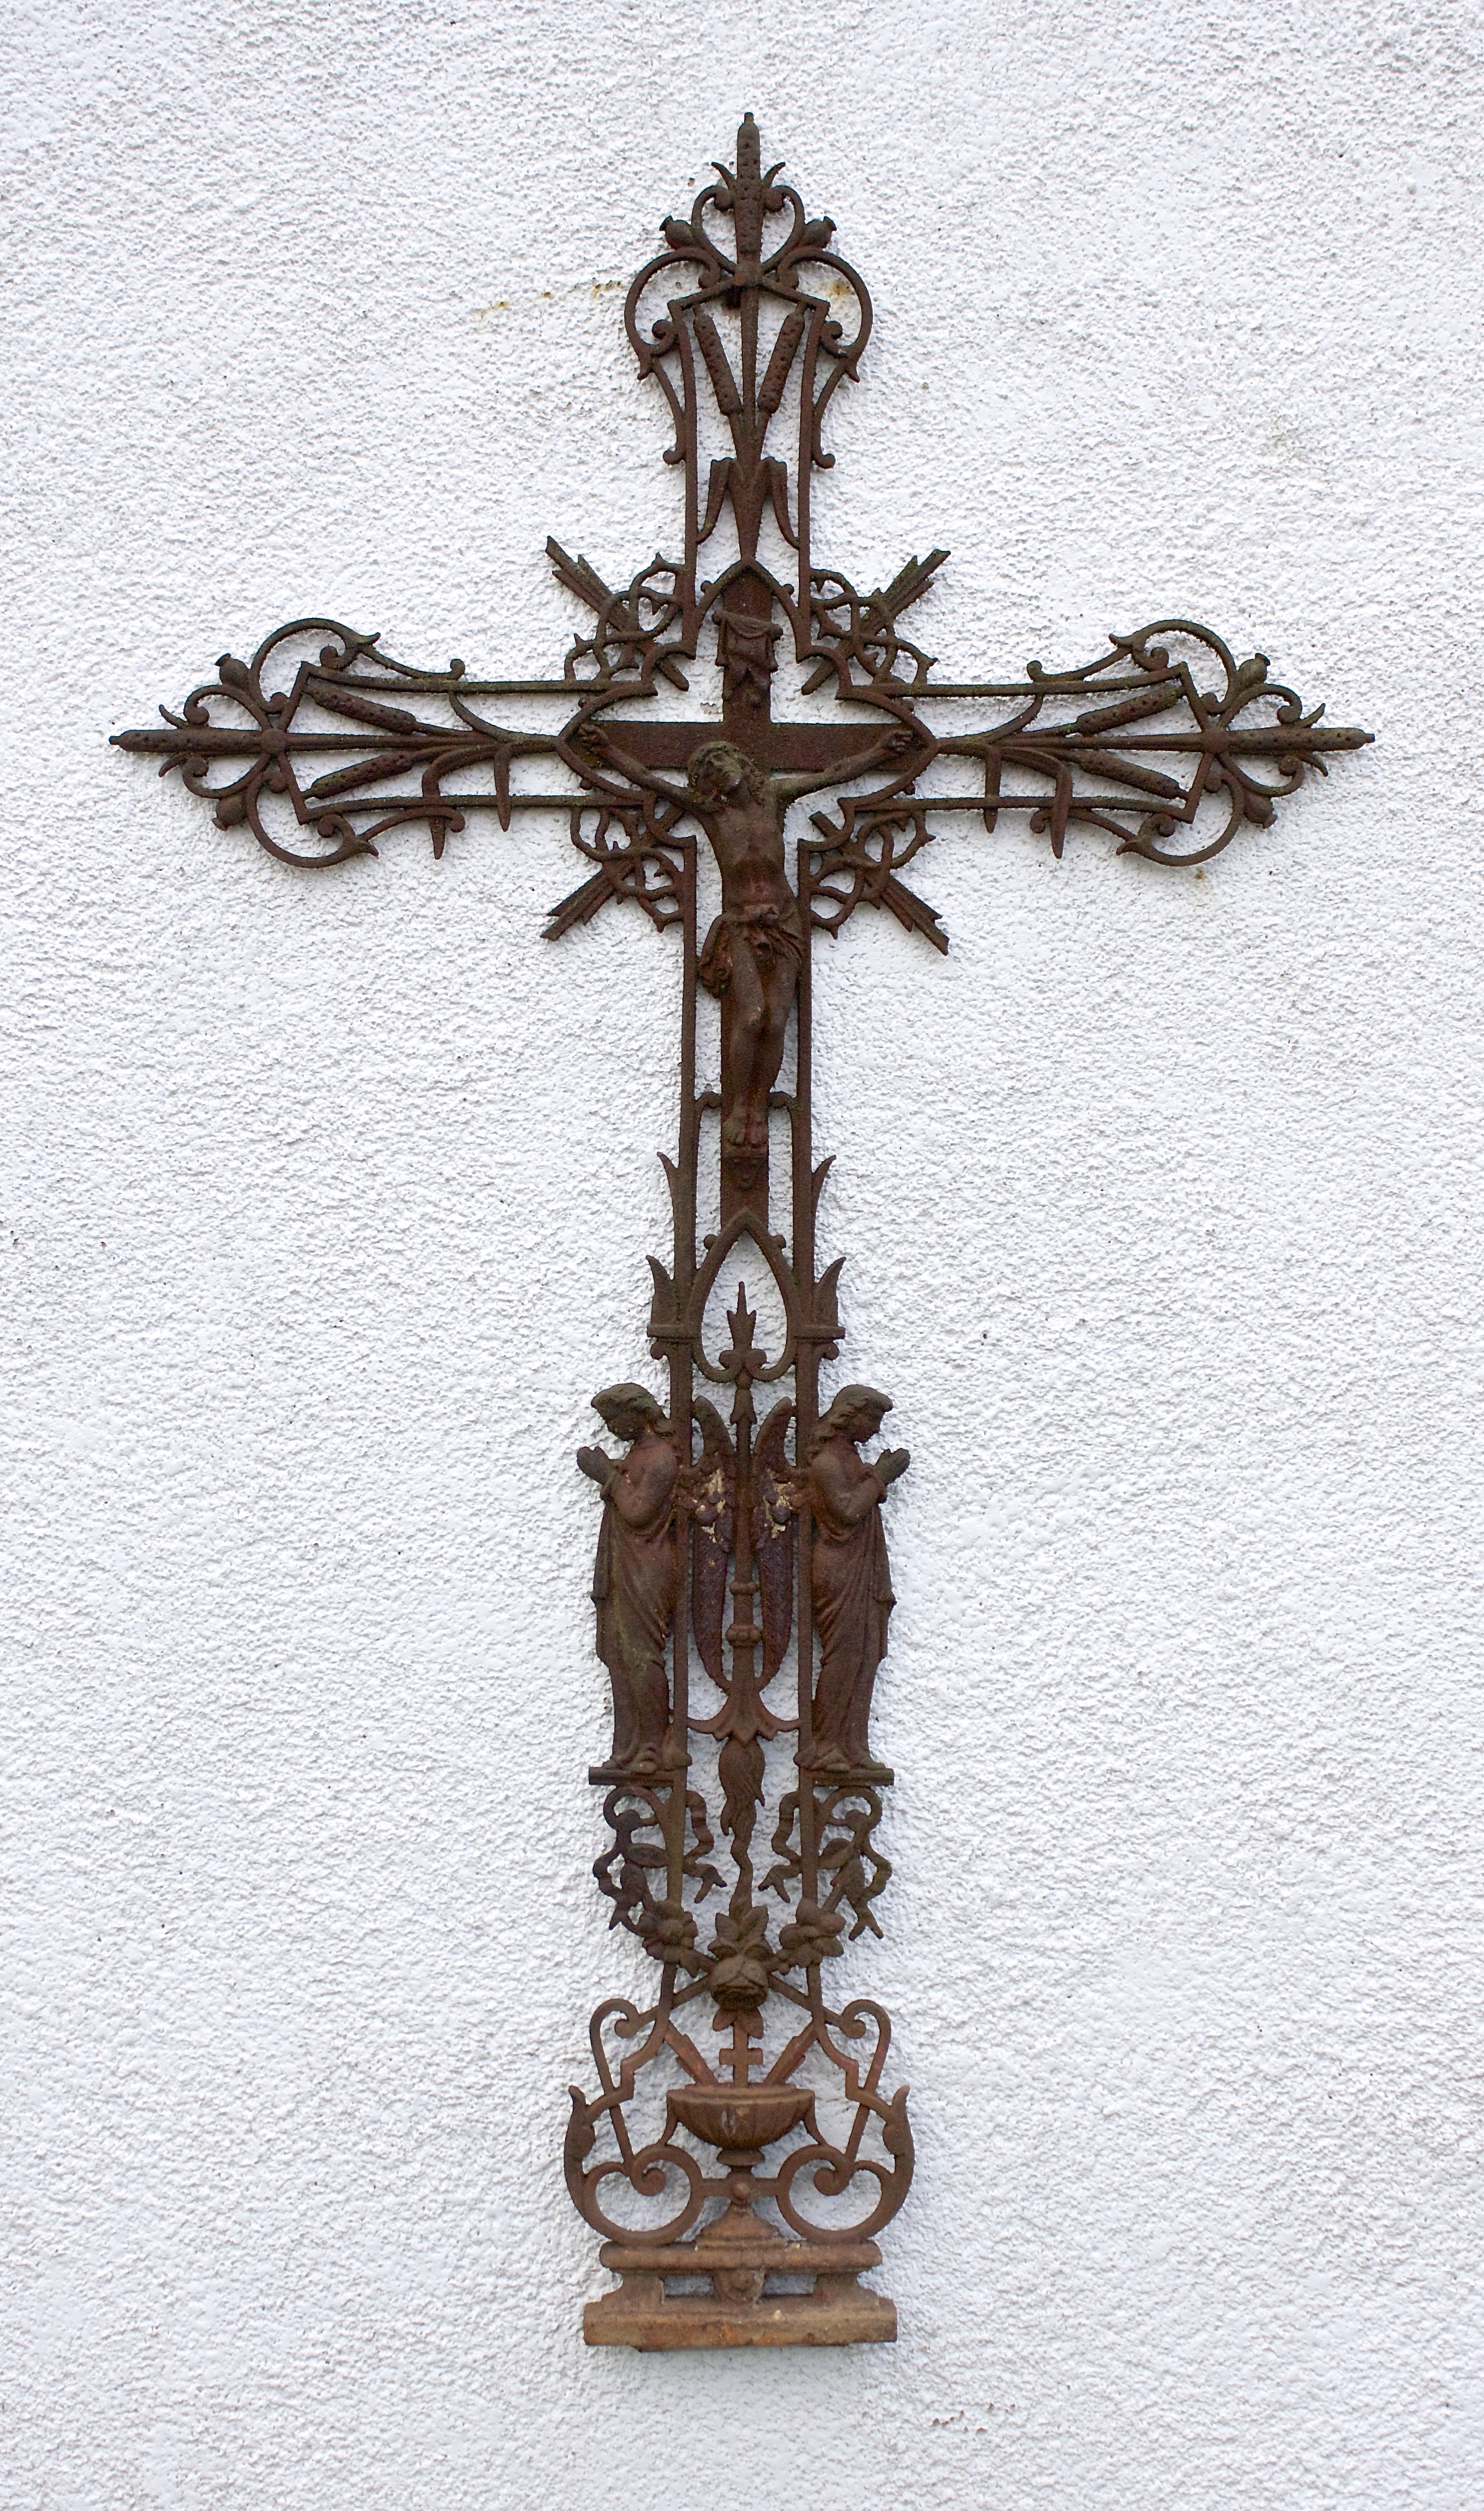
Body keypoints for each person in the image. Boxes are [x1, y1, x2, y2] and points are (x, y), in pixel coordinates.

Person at [574, 723, 913, 1172]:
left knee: (775, 1024)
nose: (719, 768)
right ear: (706, 784)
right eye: (708, 768)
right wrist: (608, 751)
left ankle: (757, 1107)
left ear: (742, 764)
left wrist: (880, 752)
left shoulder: (774, 797)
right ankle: (739, 1108)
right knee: (752, 1016)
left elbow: (833, 774)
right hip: (740, 925)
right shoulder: (712, 814)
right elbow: (649, 780)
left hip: (785, 924)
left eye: (722, 758)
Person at [800, 1385, 909, 1777]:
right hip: (839, 1569)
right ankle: (827, 1744)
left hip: (861, 1566)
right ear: (850, 1415)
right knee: (843, 1657)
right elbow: (847, 1512)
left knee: (865, 1655)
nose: (876, 1430)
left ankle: (854, 1745)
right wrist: (880, 1477)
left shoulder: (847, 1457)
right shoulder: (827, 1461)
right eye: (873, 1420)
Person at [576, 1384, 682, 1777]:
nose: (611, 1427)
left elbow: (638, 1511)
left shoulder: (662, 1457)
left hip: (647, 1569)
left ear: (639, 1413)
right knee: (617, 1654)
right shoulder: (639, 1455)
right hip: (623, 1564)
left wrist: (607, 1473)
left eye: (614, 1419)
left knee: (642, 1654)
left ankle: (652, 1745)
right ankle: (626, 1745)